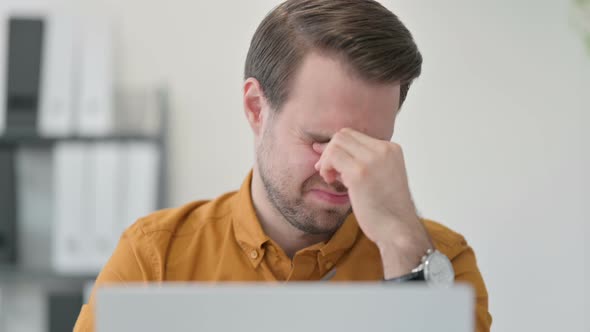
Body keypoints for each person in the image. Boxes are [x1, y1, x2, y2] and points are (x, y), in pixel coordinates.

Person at [74, 0, 492, 331]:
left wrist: (403, 247)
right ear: (257, 108)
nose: (337, 169)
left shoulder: (443, 263)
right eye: (320, 140)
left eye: (369, 146)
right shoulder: (155, 259)